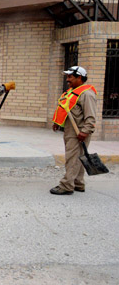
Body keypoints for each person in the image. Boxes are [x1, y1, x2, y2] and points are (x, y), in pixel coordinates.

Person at [50, 66, 97, 195]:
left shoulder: (87, 94)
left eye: (70, 77)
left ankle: (66, 186)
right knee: (79, 157)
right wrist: (57, 123)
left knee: (72, 158)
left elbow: (91, 116)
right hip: (71, 130)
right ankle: (78, 183)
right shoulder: (72, 92)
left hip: (79, 132)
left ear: (79, 78)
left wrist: (85, 131)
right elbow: (65, 109)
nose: (67, 79)